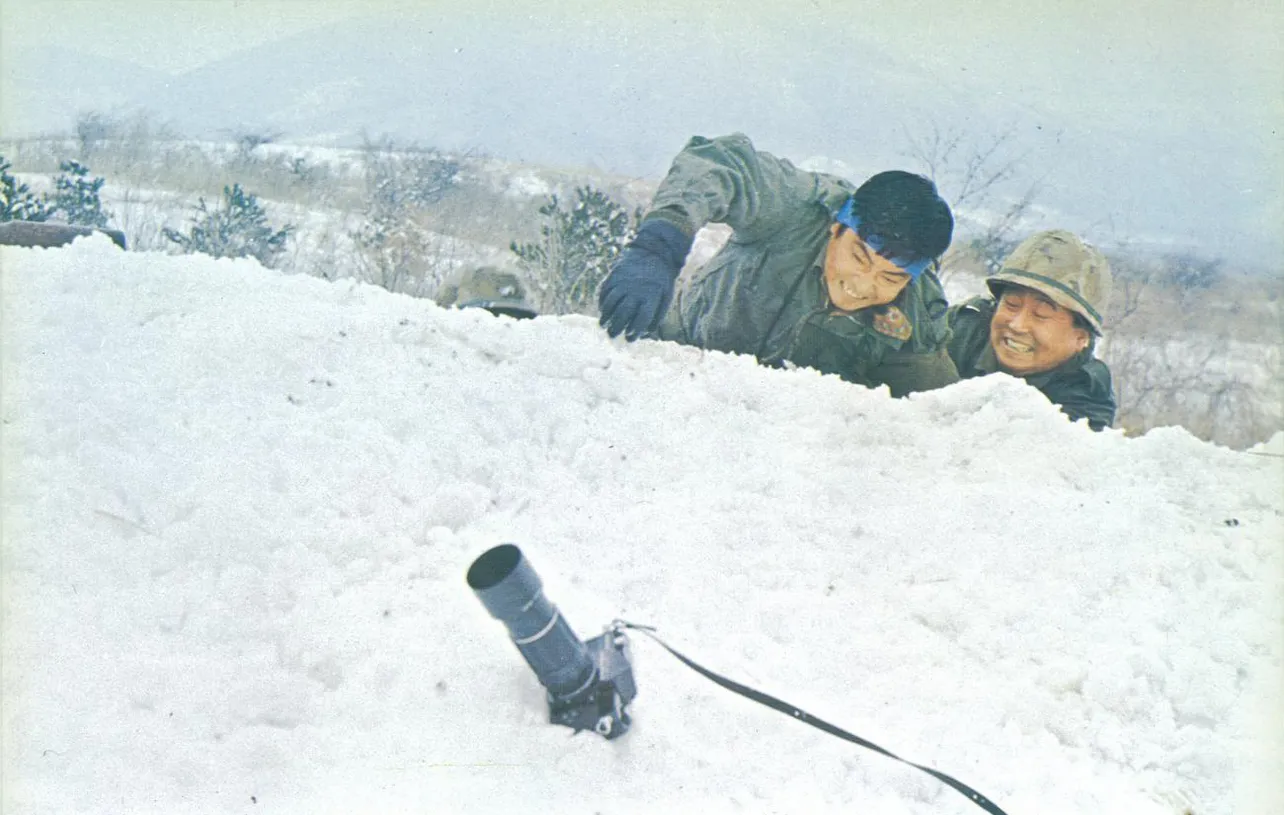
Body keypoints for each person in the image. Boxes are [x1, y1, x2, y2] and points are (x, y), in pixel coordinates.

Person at [597, 133, 959, 397]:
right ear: (837, 226)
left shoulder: (919, 315)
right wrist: (659, 247)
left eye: (890, 277)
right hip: (677, 364)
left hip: (784, 445)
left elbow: (931, 417)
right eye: (859, 257)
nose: (863, 285)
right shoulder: (795, 209)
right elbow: (722, 163)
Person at [945, 230, 1116, 430]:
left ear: (1081, 338)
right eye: (1011, 304)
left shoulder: (1085, 400)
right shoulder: (962, 330)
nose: (1017, 325)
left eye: (1041, 314)